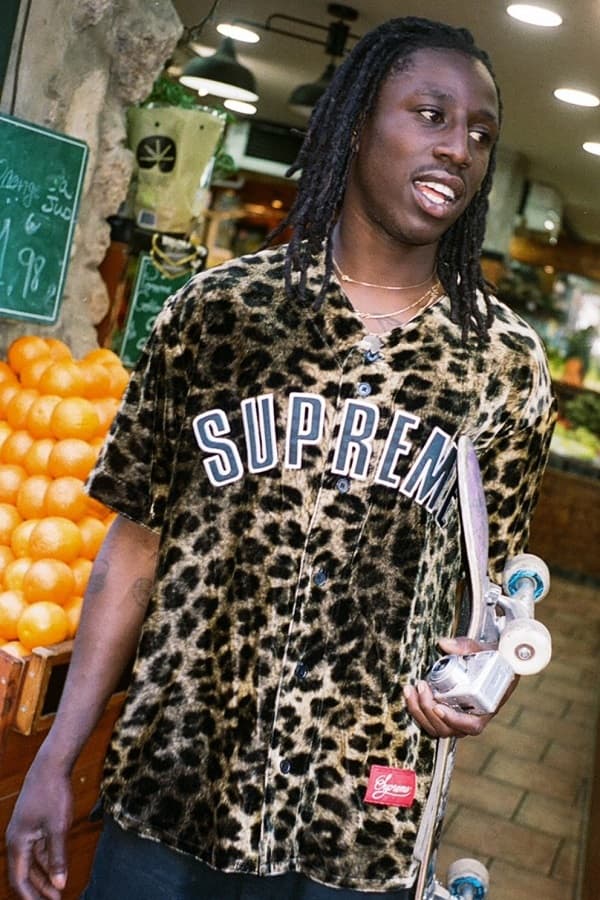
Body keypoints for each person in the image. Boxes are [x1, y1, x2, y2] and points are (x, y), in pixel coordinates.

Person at [6, 15, 556, 900]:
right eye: (431, 115)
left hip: (360, 816)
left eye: (480, 134)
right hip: (174, 787)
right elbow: (132, 550)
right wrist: (55, 757)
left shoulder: (502, 363)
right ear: (357, 124)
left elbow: (495, 591)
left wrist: (485, 678)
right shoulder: (217, 316)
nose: (458, 148)